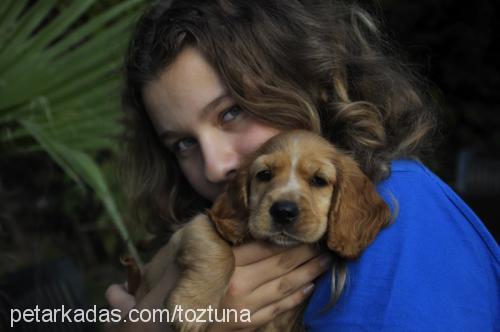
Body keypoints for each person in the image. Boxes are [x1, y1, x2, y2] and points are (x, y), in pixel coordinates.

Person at [105, 0, 499, 331]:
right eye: (184, 143)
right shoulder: (229, 225)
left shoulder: (400, 212)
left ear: (306, 78)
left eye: (231, 113)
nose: (214, 166)